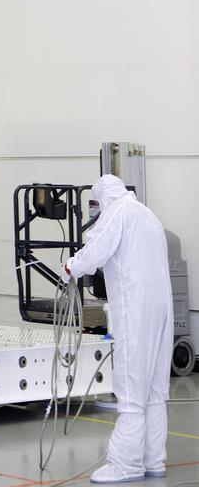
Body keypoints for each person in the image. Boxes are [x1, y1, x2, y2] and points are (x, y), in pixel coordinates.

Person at [63, 175, 173, 484]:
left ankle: (126, 465)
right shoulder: (147, 214)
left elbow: (96, 250)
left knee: (131, 385)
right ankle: (154, 459)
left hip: (134, 307)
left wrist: (72, 267)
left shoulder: (117, 213)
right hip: (160, 308)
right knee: (152, 390)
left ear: (103, 198)